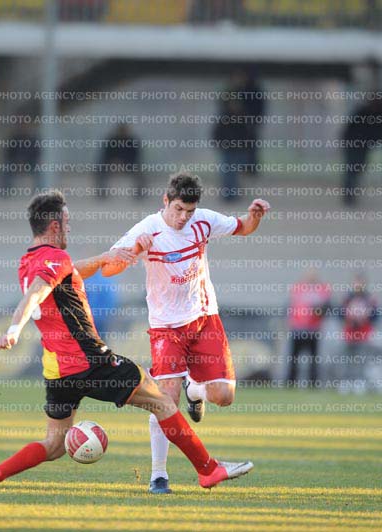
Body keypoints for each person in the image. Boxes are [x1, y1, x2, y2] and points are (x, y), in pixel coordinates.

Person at [0, 191, 253, 489]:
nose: (69, 227)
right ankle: (208, 469)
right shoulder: (55, 259)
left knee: (55, 445)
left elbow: (68, 273)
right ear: (54, 226)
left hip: (58, 371)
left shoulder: (29, 261)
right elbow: (37, 292)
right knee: (163, 401)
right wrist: (14, 329)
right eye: (66, 221)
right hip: (89, 360)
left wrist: (102, 259)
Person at [103, 173, 269, 494]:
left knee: (224, 397)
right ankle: (158, 476)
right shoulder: (147, 229)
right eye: (178, 209)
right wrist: (135, 250)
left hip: (204, 319)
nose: (183, 217)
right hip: (166, 328)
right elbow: (109, 269)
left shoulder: (203, 221)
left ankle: (196, 391)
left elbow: (244, 227)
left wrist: (255, 217)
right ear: (165, 201)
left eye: (188, 211)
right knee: (165, 401)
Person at [285, 269, 332, 388]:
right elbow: (291, 306)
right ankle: (291, 382)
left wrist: (319, 311)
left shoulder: (322, 290)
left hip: (313, 329)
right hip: (298, 328)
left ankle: (313, 382)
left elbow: (326, 306)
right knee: (294, 357)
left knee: (313, 358)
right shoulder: (298, 288)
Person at [337, 272, 379, 393]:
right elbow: (339, 314)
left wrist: (365, 317)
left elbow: (376, 316)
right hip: (349, 333)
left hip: (363, 334)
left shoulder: (370, 298)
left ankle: (359, 382)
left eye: (360, 282)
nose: (358, 285)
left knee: (361, 360)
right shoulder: (347, 298)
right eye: (356, 282)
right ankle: (345, 382)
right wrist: (350, 318)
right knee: (347, 359)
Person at [95, 123, 142, 199]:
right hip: (112, 165)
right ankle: (101, 193)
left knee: (139, 174)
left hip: (128, 165)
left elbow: (135, 157)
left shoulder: (132, 142)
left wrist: (125, 164)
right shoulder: (112, 141)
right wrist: (113, 163)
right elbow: (105, 156)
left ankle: (140, 194)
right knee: (101, 171)